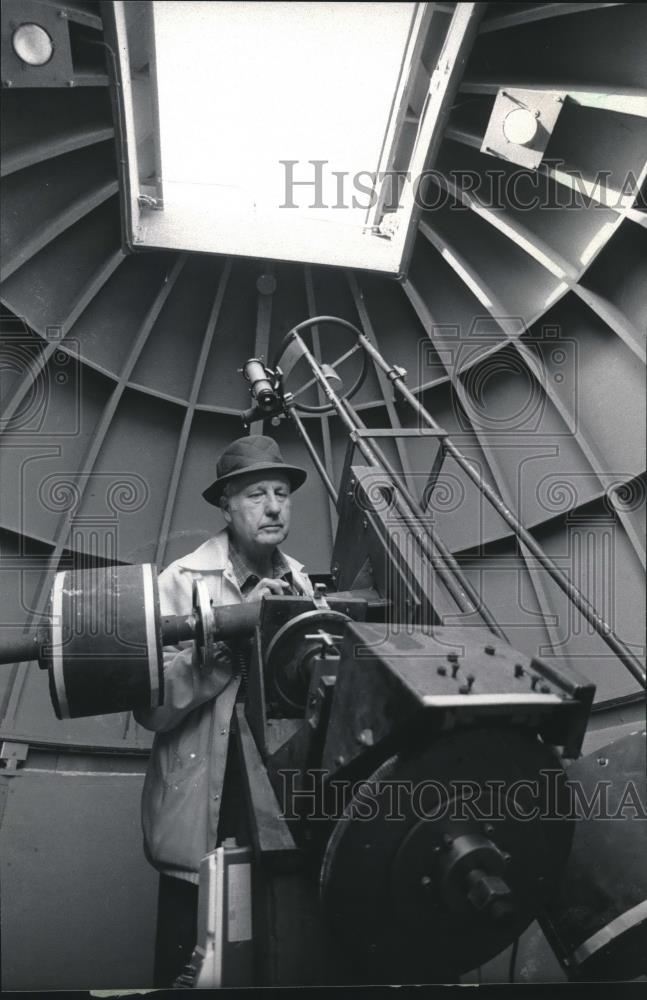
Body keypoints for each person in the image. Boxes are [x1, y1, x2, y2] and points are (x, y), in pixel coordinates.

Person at [134, 435, 313, 986]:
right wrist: (228, 647)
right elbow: (153, 711)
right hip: (201, 815)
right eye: (256, 494)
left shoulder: (303, 583)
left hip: (277, 812)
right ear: (226, 505)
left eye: (281, 493)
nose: (274, 506)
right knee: (190, 969)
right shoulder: (181, 581)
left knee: (273, 963)